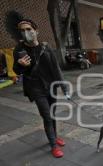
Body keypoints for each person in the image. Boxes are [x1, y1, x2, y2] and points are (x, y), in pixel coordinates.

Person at [13, 19, 69, 158]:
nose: (26, 32)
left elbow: (56, 69)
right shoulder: (19, 50)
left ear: (36, 30)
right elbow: (16, 70)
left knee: (52, 115)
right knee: (47, 116)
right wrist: (20, 65)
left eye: (28, 29)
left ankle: (54, 137)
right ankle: (53, 145)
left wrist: (64, 88)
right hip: (35, 88)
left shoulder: (46, 47)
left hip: (51, 87)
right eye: (22, 30)